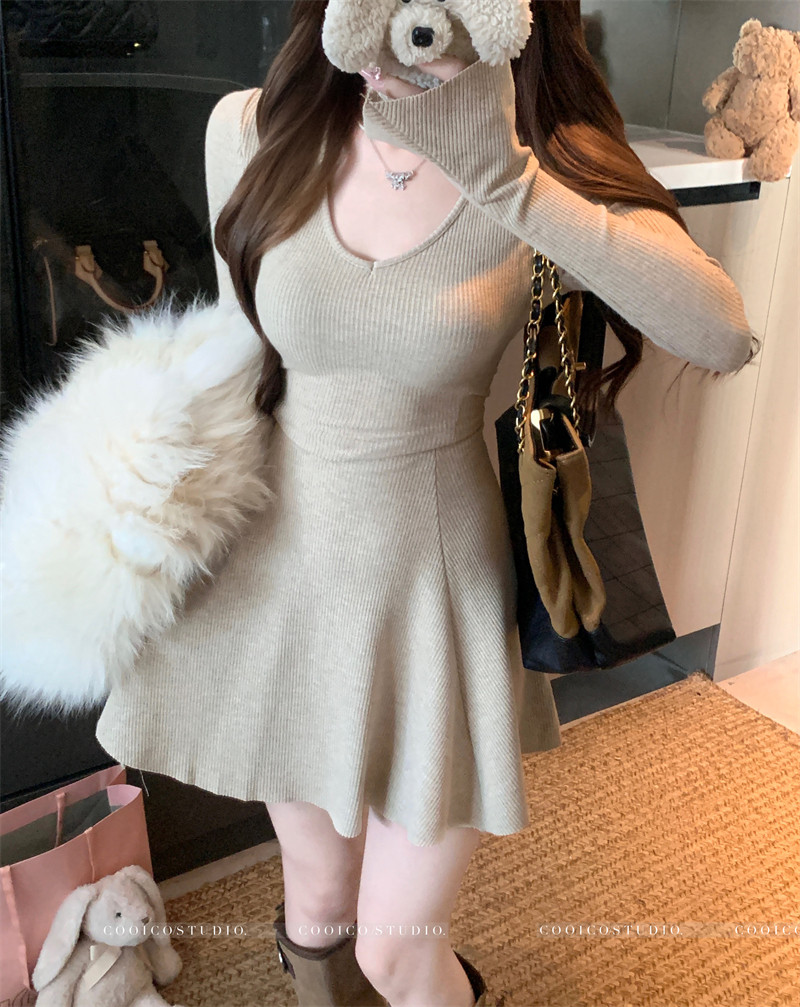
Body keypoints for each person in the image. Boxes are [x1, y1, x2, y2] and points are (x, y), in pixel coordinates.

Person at [94, 2, 759, 1005]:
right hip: (280, 576)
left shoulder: (534, 157)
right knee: (318, 905)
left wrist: (512, 183)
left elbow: (720, 333)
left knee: (397, 951)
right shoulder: (253, 129)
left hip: (433, 590)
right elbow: (238, 358)